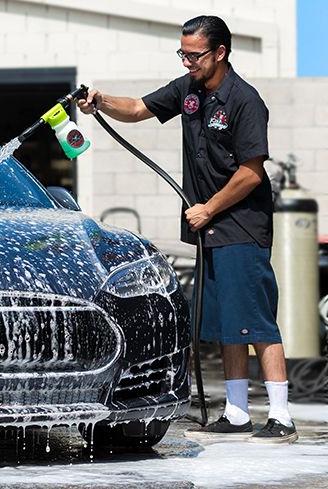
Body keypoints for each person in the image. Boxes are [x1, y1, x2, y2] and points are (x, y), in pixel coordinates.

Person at [77, 15, 297, 444]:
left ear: (220, 52)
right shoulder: (189, 91)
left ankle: (281, 413)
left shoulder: (245, 101)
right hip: (208, 228)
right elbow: (139, 109)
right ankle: (235, 412)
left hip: (239, 225)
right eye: (183, 53)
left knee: (256, 322)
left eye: (194, 55)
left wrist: (208, 208)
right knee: (225, 323)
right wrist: (100, 101)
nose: (187, 62)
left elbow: (252, 173)